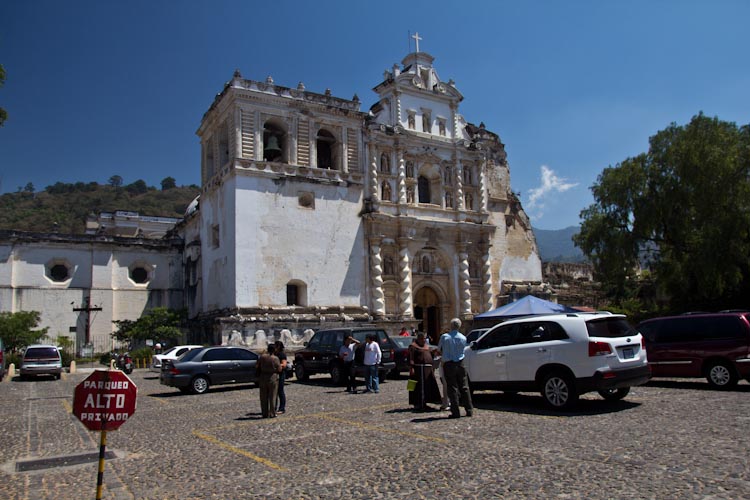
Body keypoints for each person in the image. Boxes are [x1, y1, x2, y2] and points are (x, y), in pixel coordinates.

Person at [437, 318, 474, 418]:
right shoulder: (463, 337)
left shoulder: (445, 337)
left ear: (451, 326)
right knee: (464, 387)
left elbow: (438, 350)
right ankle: (469, 409)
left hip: (449, 364)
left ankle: (455, 412)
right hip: (461, 363)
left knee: (452, 388)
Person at [408, 333, 442, 410]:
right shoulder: (413, 347)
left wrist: (433, 353)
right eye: (422, 339)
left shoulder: (426, 346)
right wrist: (411, 367)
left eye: (424, 339)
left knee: (427, 386)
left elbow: (429, 354)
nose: (424, 340)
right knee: (416, 387)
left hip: (427, 370)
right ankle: (418, 403)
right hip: (418, 370)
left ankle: (425, 402)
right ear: (419, 339)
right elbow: (411, 357)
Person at [256, 344, 282, 418]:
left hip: (263, 377)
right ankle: (272, 412)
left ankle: (264, 413)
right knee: (273, 396)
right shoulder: (275, 358)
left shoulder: (262, 357)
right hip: (272, 377)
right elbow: (279, 369)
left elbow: (257, 365)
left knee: (263, 397)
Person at [274, 340, 287, 414]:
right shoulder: (274, 354)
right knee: (274, 392)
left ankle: (282, 408)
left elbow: (284, 364)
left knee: (280, 391)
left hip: (281, 374)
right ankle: (274, 407)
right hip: (275, 374)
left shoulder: (281, 354)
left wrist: (276, 365)